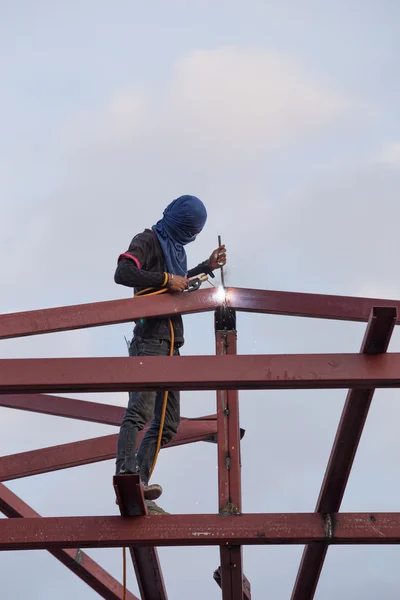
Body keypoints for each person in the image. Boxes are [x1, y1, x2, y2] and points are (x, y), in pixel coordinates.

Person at [114, 195, 226, 513]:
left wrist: (206, 266)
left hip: (171, 345)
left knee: (168, 423)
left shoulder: (175, 250)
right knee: (140, 412)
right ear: (180, 224)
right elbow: (123, 273)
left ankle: (139, 480)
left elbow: (177, 285)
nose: (190, 236)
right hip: (149, 342)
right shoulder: (148, 240)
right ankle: (126, 475)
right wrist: (166, 279)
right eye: (190, 229)